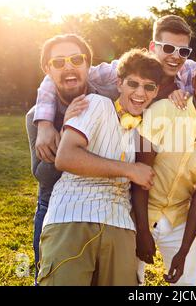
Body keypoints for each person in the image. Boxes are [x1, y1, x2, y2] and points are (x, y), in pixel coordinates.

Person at [32, 15, 196, 166]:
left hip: (157, 159)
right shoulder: (123, 69)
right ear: (153, 47)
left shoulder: (192, 72)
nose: (175, 56)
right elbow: (63, 74)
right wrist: (44, 123)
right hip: (114, 147)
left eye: (183, 51)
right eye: (168, 48)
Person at [37, 48, 163, 286]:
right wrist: (130, 170)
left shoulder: (139, 131)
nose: (140, 93)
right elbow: (65, 157)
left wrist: (143, 231)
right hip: (74, 216)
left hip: (120, 224)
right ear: (119, 83)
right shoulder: (97, 104)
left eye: (149, 87)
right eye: (133, 84)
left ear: (156, 92)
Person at [132, 45, 196, 285]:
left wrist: (184, 251)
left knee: (187, 284)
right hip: (137, 212)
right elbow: (140, 174)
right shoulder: (163, 111)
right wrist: (142, 231)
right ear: (194, 80)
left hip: (178, 219)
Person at [25, 33, 114, 284]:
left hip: (102, 206)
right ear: (47, 70)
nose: (69, 67)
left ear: (88, 64)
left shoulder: (109, 101)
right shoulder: (37, 118)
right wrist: (65, 129)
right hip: (53, 209)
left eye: (76, 59)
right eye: (59, 62)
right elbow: (41, 175)